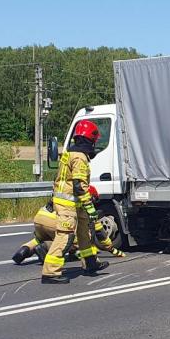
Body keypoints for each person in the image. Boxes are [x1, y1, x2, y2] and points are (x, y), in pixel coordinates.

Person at [42, 120, 115, 284]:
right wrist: (90, 208)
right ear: (91, 139)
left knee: (84, 234)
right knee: (65, 237)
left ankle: (90, 263)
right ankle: (50, 272)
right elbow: (79, 186)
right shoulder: (80, 157)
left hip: (74, 203)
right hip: (69, 204)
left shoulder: (69, 153)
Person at [13, 186, 124, 265]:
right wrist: (112, 249)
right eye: (95, 200)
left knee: (38, 239)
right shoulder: (86, 205)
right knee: (76, 238)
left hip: (40, 217)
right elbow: (99, 231)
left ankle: (23, 251)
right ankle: (46, 248)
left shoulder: (67, 194)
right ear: (91, 197)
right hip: (55, 221)